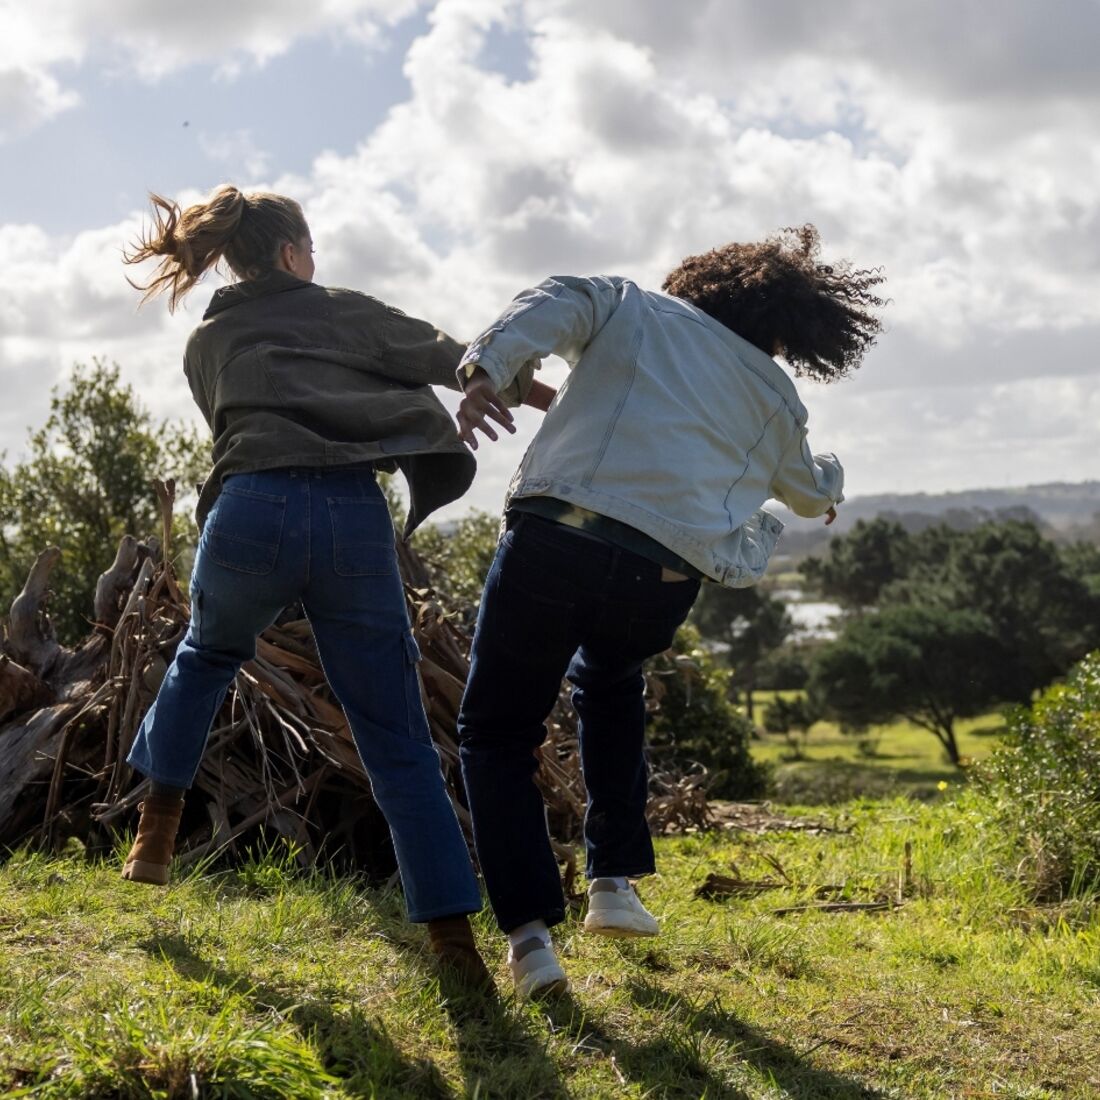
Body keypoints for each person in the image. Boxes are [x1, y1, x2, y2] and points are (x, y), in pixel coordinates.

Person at [119, 183, 539, 987]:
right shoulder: (341, 309)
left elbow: (228, 422)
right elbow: (440, 351)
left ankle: (157, 826)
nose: (315, 263)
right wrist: (503, 382)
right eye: (309, 250)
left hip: (248, 510)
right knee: (396, 737)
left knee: (205, 657)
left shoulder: (205, 344)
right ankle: (453, 943)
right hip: (350, 520)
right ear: (289, 253)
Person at [453, 225, 885, 998]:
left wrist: (490, 370)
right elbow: (811, 488)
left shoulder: (631, 306)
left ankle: (529, 941)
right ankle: (613, 882)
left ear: (697, 283)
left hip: (560, 538)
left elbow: (549, 302)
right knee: (611, 681)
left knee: (496, 731)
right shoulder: (773, 392)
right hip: (659, 578)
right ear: (781, 330)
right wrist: (831, 487)